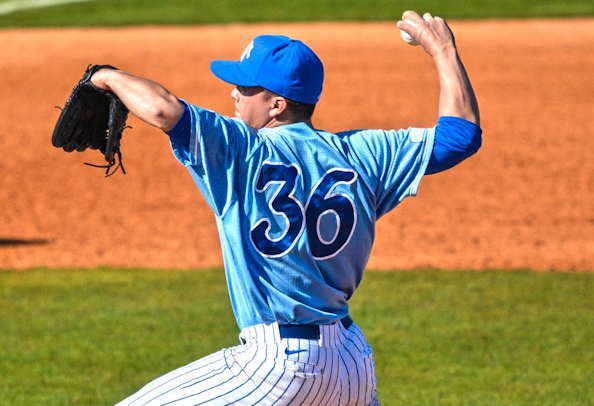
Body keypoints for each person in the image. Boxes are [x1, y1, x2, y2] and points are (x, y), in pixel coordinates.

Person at [92, 10, 481, 406]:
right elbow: (460, 136)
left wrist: (104, 76)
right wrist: (443, 49)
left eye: (245, 87)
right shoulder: (365, 154)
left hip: (278, 367)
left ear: (276, 105)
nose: (233, 94)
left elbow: (162, 109)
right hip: (351, 365)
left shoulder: (240, 150)